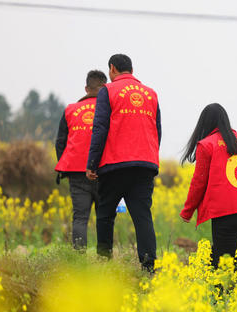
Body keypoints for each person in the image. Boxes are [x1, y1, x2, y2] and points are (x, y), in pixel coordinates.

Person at [86, 54, 161, 272]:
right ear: (131, 69)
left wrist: (92, 163)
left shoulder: (107, 91)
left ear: (112, 69)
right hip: (145, 164)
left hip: (115, 164)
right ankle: (148, 267)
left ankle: (104, 262)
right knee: (142, 216)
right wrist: (151, 157)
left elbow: (99, 128)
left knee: (106, 213)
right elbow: (157, 130)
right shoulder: (151, 94)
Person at [180, 103, 237, 268]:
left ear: (205, 123)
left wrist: (187, 211)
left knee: (225, 265)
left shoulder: (207, 144)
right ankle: (220, 288)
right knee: (220, 256)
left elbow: (198, 182)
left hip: (225, 214)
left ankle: (225, 292)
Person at [55, 70, 107, 249]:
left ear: (86, 88)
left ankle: (79, 262)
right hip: (104, 171)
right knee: (104, 217)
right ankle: (105, 259)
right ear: (105, 88)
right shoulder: (110, 109)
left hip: (77, 173)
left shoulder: (70, 110)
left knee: (80, 218)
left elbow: (60, 142)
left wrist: (65, 166)